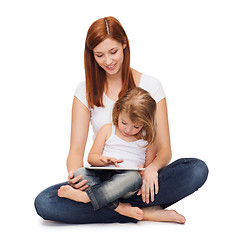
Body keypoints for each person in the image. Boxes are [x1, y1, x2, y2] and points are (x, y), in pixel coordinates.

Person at [34, 16, 208, 224]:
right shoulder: (84, 91)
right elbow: (76, 153)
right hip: (99, 179)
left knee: (196, 169)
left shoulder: (151, 86)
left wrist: (151, 169)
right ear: (91, 55)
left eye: (113, 52)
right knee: (45, 202)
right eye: (99, 55)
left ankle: (107, 205)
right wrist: (75, 175)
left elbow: (164, 150)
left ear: (124, 43)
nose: (108, 61)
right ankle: (142, 211)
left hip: (139, 180)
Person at [58, 87, 167, 221]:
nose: (128, 130)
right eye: (124, 123)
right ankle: (119, 208)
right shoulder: (107, 130)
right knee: (80, 173)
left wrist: (142, 173)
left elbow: (147, 169)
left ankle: (86, 197)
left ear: (146, 123)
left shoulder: (147, 140)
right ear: (118, 111)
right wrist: (103, 160)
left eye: (136, 127)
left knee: (134, 178)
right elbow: (91, 157)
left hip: (125, 184)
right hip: (103, 177)